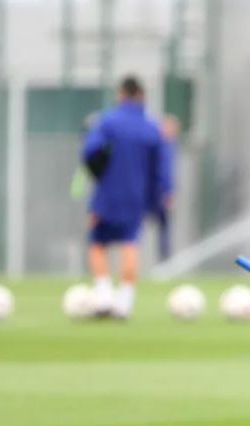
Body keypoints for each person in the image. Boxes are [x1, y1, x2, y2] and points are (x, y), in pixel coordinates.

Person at [82, 75, 165, 318]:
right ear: (141, 96)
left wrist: (97, 170)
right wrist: (157, 197)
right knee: (130, 244)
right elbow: (160, 167)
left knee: (97, 243)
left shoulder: (107, 122)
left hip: (107, 194)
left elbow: (89, 151)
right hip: (136, 197)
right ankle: (125, 302)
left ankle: (105, 296)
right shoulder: (150, 127)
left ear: (121, 94)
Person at [149, 114, 179, 262]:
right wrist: (167, 193)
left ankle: (163, 260)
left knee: (164, 227)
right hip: (154, 194)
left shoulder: (170, 145)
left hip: (156, 193)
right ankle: (161, 260)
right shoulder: (161, 146)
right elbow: (163, 172)